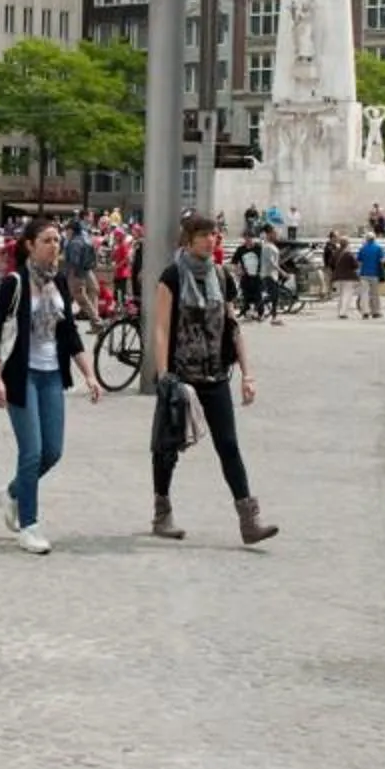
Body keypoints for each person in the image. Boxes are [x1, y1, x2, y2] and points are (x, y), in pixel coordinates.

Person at [147, 211, 276, 546]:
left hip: (215, 374)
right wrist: (163, 375)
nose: (211, 240)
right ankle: (162, 513)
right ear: (188, 239)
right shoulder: (172, 276)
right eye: (204, 234)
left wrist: (247, 374)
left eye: (214, 234)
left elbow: (232, 327)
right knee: (167, 447)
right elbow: (161, 328)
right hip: (181, 375)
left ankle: (249, 520)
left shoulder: (221, 275)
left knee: (228, 445)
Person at [0, 220, 102, 555]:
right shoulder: (15, 283)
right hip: (22, 376)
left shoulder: (58, 282)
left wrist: (89, 375)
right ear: (30, 245)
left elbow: (69, 333)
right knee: (31, 452)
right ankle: (29, 526)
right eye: (47, 240)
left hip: (52, 375)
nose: (55, 246)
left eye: (57, 240)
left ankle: (12, 493)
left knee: (52, 452)